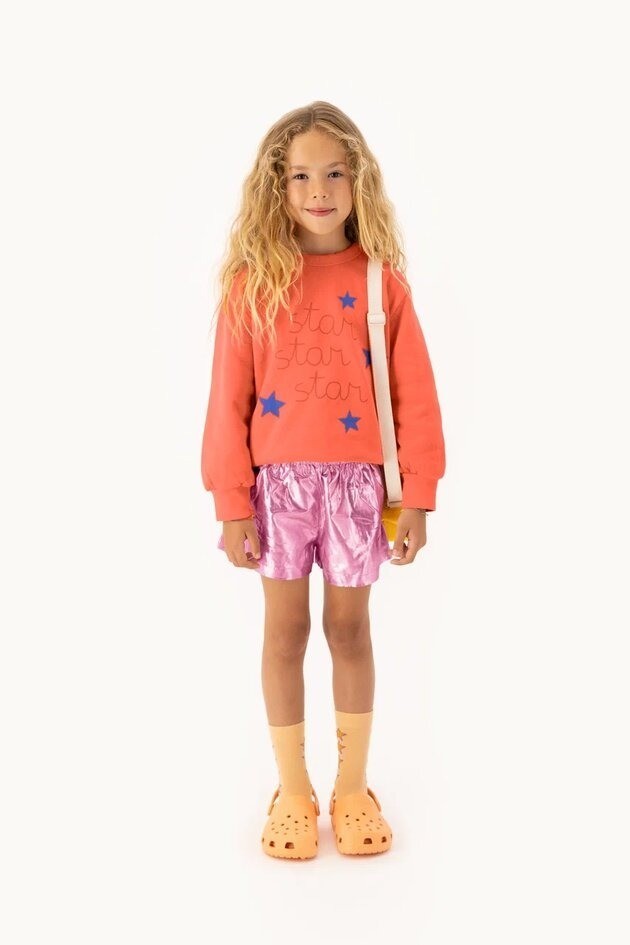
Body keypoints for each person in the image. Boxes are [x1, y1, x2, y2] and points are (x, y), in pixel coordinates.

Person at [200, 101, 446, 859]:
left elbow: (415, 395)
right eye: (301, 175)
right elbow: (227, 402)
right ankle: (292, 789)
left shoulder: (381, 285)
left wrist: (419, 496)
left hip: (356, 492)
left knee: (349, 630)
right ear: (276, 186)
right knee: (285, 632)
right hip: (278, 493)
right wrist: (232, 502)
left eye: (334, 173)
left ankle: (352, 785)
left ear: (358, 180)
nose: (318, 190)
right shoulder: (252, 285)